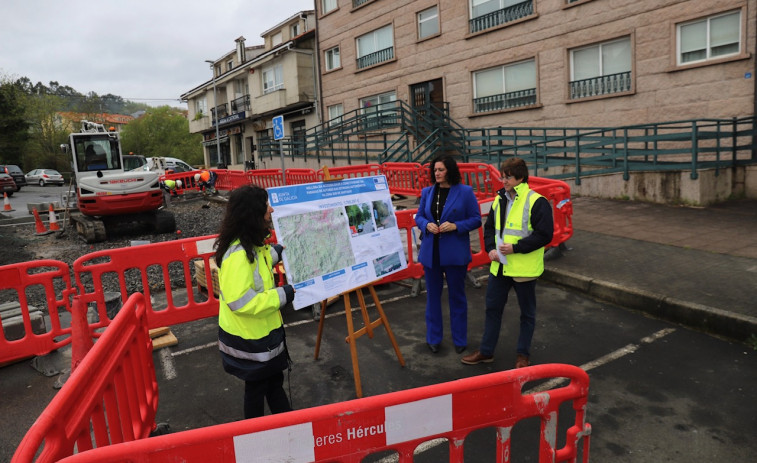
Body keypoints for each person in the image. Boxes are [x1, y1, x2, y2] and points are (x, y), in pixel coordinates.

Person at [462, 157, 554, 369]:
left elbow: (544, 235)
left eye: (508, 177)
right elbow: (489, 229)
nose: (503, 180)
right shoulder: (499, 199)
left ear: (520, 178)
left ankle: (523, 355)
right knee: (492, 310)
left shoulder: (536, 201)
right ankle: (486, 352)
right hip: (500, 267)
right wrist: (491, 249)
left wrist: (516, 247)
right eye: (502, 176)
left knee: (527, 314)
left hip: (523, 269)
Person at [214, 185, 295, 419]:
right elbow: (241, 302)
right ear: (252, 213)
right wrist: (283, 295)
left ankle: (287, 423)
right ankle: (255, 435)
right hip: (249, 341)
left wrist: (276, 252)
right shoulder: (238, 254)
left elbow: (259, 264)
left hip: (261, 337)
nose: (270, 209)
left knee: (272, 382)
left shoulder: (252, 245)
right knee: (259, 387)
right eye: (265, 205)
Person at [415, 155, 482, 354]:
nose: (437, 173)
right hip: (431, 253)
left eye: (441, 169)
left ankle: (460, 339)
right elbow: (419, 216)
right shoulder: (427, 192)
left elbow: (476, 219)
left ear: (450, 171)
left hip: (454, 253)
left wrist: (456, 226)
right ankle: (433, 338)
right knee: (433, 298)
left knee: (457, 297)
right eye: (435, 170)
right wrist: (426, 224)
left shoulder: (465, 192)